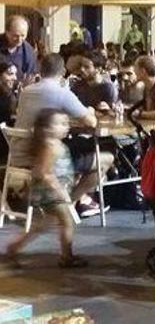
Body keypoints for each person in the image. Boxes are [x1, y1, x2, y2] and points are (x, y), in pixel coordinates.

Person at [13, 54, 104, 218]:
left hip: (19, 154)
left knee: (75, 147)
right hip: (44, 158)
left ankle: (76, 199)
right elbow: (91, 122)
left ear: (41, 69)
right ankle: (68, 203)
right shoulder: (62, 93)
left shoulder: (26, 91)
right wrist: (90, 110)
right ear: (62, 72)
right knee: (105, 158)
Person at [3, 109, 87, 268]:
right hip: (50, 193)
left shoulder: (56, 144)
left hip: (50, 192)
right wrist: (60, 190)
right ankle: (66, 256)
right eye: (61, 124)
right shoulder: (50, 147)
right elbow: (43, 172)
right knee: (67, 221)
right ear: (46, 129)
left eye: (66, 123)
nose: (66, 126)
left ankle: (13, 247)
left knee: (42, 225)